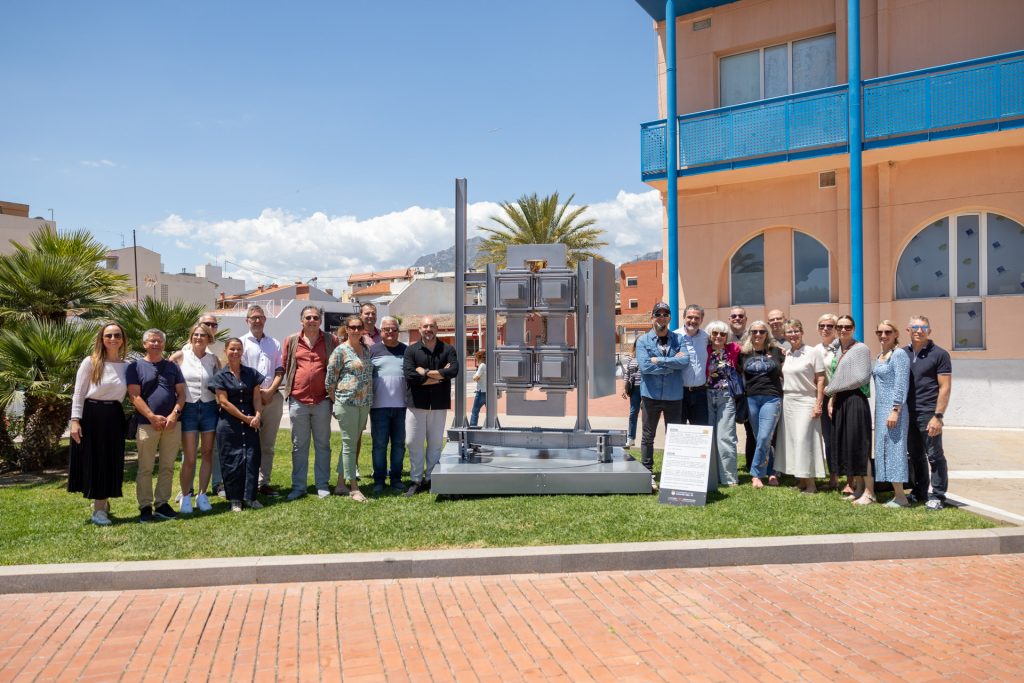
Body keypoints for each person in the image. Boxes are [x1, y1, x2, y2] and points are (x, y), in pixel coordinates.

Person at [68, 323, 129, 526]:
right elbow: (78, 393)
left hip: (114, 415)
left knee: (111, 460)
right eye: (108, 335)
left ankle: (103, 500)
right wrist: (75, 420)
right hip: (91, 414)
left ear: (123, 339)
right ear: (102, 339)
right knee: (96, 460)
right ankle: (99, 509)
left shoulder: (127, 366)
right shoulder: (90, 362)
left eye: (117, 335)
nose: (113, 339)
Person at [127, 329, 186, 522]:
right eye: (152, 341)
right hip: (146, 424)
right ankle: (145, 506)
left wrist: (174, 414)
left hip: (171, 424)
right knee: (145, 467)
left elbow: (181, 394)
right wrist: (152, 416)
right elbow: (134, 396)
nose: (156, 344)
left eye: (159, 341)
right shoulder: (135, 367)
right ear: (144, 344)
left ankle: (162, 503)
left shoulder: (172, 367)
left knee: (167, 466)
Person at [282, 305, 339, 500]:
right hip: (298, 400)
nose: (312, 320)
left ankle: (322, 484)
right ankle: (299, 486)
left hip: (323, 400)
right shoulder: (291, 341)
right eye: (308, 317)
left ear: (320, 320)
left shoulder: (331, 340)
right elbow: (286, 366)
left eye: (315, 317)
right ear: (302, 320)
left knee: (323, 444)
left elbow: (336, 366)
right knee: (299, 446)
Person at [403, 316, 460, 496]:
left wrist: (426, 373)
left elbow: (454, 371)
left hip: (438, 403)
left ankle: (432, 478)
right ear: (419, 329)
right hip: (416, 404)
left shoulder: (448, 349)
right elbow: (410, 376)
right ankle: (416, 480)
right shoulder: (411, 350)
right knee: (414, 442)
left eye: (432, 326)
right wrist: (440, 376)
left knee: (435, 443)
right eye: (425, 326)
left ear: (437, 328)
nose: (428, 329)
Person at [636, 301, 688, 490]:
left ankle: (673, 473)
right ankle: (647, 472)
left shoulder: (679, 339)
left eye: (666, 314)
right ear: (652, 317)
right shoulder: (643, 341)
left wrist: (660, 360)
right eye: (658, 314)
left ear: (670, 318)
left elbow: (685, 362)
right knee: (648, 436)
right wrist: (670, 365)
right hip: (650, 396)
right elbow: (645, 367)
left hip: (674, 396)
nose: (662, 318)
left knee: (674, 436)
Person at [169, 323, 220, 513]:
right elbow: (167, 379)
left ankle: (203, 494)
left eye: (203, 335)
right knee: (189, 457)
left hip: (209, 408)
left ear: (209, 339)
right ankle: (185, 495)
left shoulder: (213, 359)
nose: (199, 338)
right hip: (188, 409)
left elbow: (220, 383)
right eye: (196, 335)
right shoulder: (179, 357)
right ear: (191, 337)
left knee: (207, 454)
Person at [825, 315, 875, 505]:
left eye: (847, 327)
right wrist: (833, 399)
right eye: (839, 327)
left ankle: (870, 492)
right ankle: (859, 488)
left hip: (855, 400)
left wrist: (830, 390)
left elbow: (861, 378)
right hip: (841, 400)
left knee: (860, 446)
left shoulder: (861, 349)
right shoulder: (838, 349)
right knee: (848, 446)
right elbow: (838, 376)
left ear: (853, 329)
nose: (843, 330)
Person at [903, 315, 952, 510]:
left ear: (929, 331)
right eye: (914, 326)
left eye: (923, 327)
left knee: (934, 455)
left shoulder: (939, 354)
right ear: (908, 330)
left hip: (928, 412)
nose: (918, 330)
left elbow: (945, 387)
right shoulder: (902, 353)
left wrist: (938, 416)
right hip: (908, 413)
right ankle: (920, 491)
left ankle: (938, 496)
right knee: (915, 454)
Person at [211, 338, 264, 512]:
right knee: (231, 461)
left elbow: (256, 397)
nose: (235, 352)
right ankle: (235, 499)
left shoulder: (251, 373)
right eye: (232, 349)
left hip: (251, 422)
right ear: (225, 351)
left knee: (251, 458)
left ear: (242, 352)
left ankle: (250, 497)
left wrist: (257, 415)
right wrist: (245, 418)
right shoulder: (220, 376)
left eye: (238, 349)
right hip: (229, 425)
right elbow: (224, 402)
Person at [326, 315, 374, 503]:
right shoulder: (340, 351)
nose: (355, 330)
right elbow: (330, 381)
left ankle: (340, 484)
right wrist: (337, 401)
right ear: (346, 329)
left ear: (363, 329)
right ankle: (353, 487)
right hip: (347, 403)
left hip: (364, 403)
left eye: (358, 327)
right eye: (352, 327)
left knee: (352, 443)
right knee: (349, 444)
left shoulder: (366, 350)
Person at [775, 320, 826, 493]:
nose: (793, 334)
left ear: (802, 332)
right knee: (793, 441)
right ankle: (802, 481)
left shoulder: (813, 352)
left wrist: (818, 404)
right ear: (785, 335)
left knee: (805, 440)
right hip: (789, 401)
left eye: (796, 331)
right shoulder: (787, 353)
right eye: (789, 332)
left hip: (806, 401)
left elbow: (820, 379)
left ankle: (811, 484)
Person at [240, 304, 285, 497]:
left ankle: (263, 482)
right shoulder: (241, 343)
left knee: (267, 445)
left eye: (260, 317)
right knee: (249, 444)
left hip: (272, 398)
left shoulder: (274, 343)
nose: (257, 320)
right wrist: (258, 393)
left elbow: (279, 370)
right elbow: (239, 372)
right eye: (253, 317)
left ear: (265, 320)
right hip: (250, 399)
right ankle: (248, 482)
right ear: (247, 321)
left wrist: (271, 390)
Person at [738, 321, 785, 488]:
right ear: (750, 333)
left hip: (772, 398)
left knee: (765, 436)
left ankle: (756, 473)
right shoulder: (743, 353)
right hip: (751, 398)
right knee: (760, 438)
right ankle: (772, 472)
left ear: (767, 334)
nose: (758, 334)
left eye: (762, 331)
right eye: (754, 331)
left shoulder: (777, 351)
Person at [873, 320, 912, 508]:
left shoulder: (899, 355)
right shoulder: (881, 355)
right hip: (880, 410)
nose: (883, 335)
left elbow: (901, 384)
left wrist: (895, 410)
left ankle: (901, 497)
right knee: (884, 450)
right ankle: (894, 493)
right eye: (879, 332)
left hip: (894, 410)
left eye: (888, 331)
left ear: (896, 334)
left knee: (895, 450)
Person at [369, 316, 408, 493]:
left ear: (398, 331)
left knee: (399, 445)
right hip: (378, 407)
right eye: (386, 329)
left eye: (393, 329)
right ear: (381, 331)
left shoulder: (407, 351)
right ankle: (378, 480)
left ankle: (396, 478)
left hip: (402, 407)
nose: (390, 332)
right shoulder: (372, 351)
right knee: (379, 445)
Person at [704, 320, 740, 486]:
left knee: (726, 437)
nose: (718, 337)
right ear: (710, 335)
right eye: (715, 333)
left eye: (722, 334)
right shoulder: (705, 350)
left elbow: (756, 345)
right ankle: (711, 476)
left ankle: (729, 478)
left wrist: (778, 349)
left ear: (727, 336)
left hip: (726, 396)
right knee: (708, 437)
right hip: (706, 395)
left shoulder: (733, 349)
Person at [815, 313, 841, 490]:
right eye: (822, 326)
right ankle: (833, 476)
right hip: (824, 399)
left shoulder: (841, 349)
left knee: (844, 438)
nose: (825, 329)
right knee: (829, 439)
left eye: (830, 326)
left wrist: (834, 396)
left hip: (840, 397)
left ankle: (852, 478)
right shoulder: (815, 349)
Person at [728, 306, 755, 471]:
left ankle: (752, 464)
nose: (737, 318)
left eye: (740, 316)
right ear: (729, 319)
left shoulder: (754, 337)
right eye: (734, 316)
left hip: (749, 390)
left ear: (746, 319)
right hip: (727, 391)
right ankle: (727, 465)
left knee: (751, 431)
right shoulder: (722, 336)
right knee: (727, 431)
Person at [675, 304, 710, 426]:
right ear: (684, 317)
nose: (693, 321)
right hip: (679, 394)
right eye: (690, 317)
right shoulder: (674, 337)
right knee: (678, 432)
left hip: (701, 394)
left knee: (701, 433)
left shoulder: (706, 338)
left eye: (697, 318)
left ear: (701, 320)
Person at [620, 338, 641, 449]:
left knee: (647, 415)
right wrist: (624, 389)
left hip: (646, 388)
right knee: (633, 413)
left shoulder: (648, 355)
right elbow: (627, 374)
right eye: (638, 344)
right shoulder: (630, 358)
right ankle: (631, 438)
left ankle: (646, 440)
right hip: (634, 389)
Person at [469, 350, 487, 427]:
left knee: (475, 411)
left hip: (481, 392)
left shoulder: (482, 365)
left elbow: (475, 377)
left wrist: (475, 377)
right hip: (488, 391)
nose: (476, 359)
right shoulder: (487, 365)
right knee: (490, 412)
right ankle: (489, 425)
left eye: (476, 357)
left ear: (479, 357)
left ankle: (473, 427)